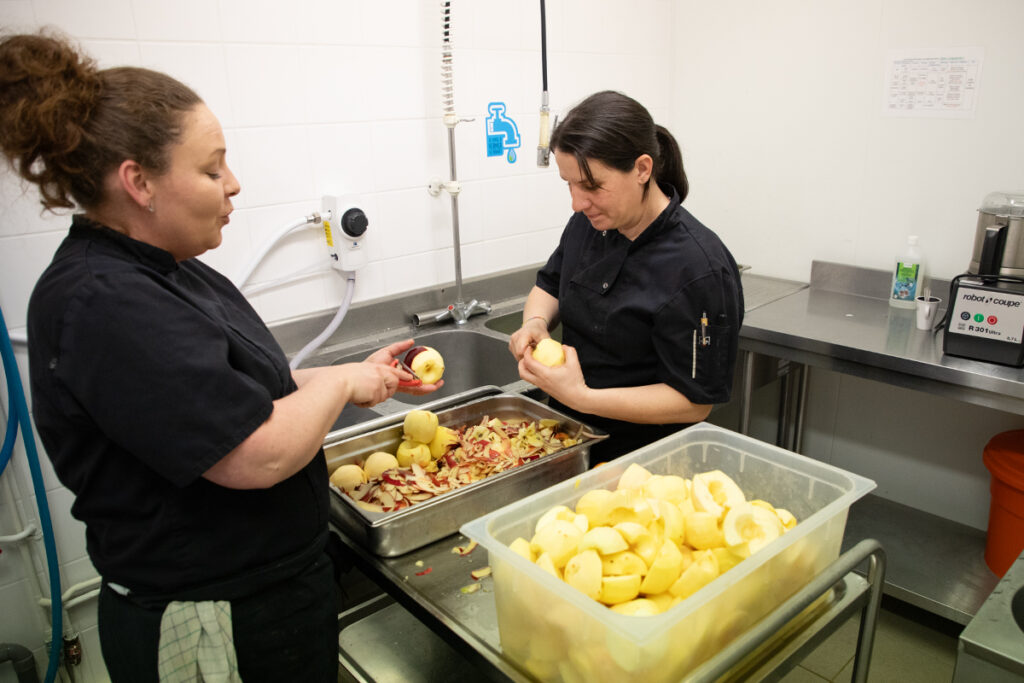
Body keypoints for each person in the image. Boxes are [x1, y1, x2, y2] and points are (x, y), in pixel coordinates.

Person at [0, 31, 439, 682]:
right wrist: (341, 379)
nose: (233, 185)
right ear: (138, 182)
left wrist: (355, 379)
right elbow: (254, 452)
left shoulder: (171, 272)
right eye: (211, 169)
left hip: (268, 598)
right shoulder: (103, 301)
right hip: (208, 623)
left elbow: (243, 390)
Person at [509, 91, 744, 463]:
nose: (576, 202)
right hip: (570, 443)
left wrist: (583, 397)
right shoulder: (589, 223)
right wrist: (535, 322)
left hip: (646, 463)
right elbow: (550, 285)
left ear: (642, 169)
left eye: (591, 185)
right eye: (568, 183)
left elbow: (694, 402)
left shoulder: (699, 269)